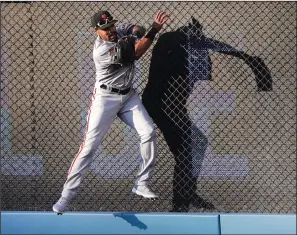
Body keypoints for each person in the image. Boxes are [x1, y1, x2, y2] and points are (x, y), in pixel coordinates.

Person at [53, 10, 169, 214]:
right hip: (105, 99)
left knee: (148, 132)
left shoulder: (116, 30)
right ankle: (66, 197)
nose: (111, 30)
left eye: (112, 25)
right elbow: (135, 52)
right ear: (96, 31)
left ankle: (141, 183)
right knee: (88, 148)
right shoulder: (101, 51)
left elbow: (135, 29)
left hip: (128, 97)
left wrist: (135, 31)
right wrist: (153, 30)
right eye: (105, 29)